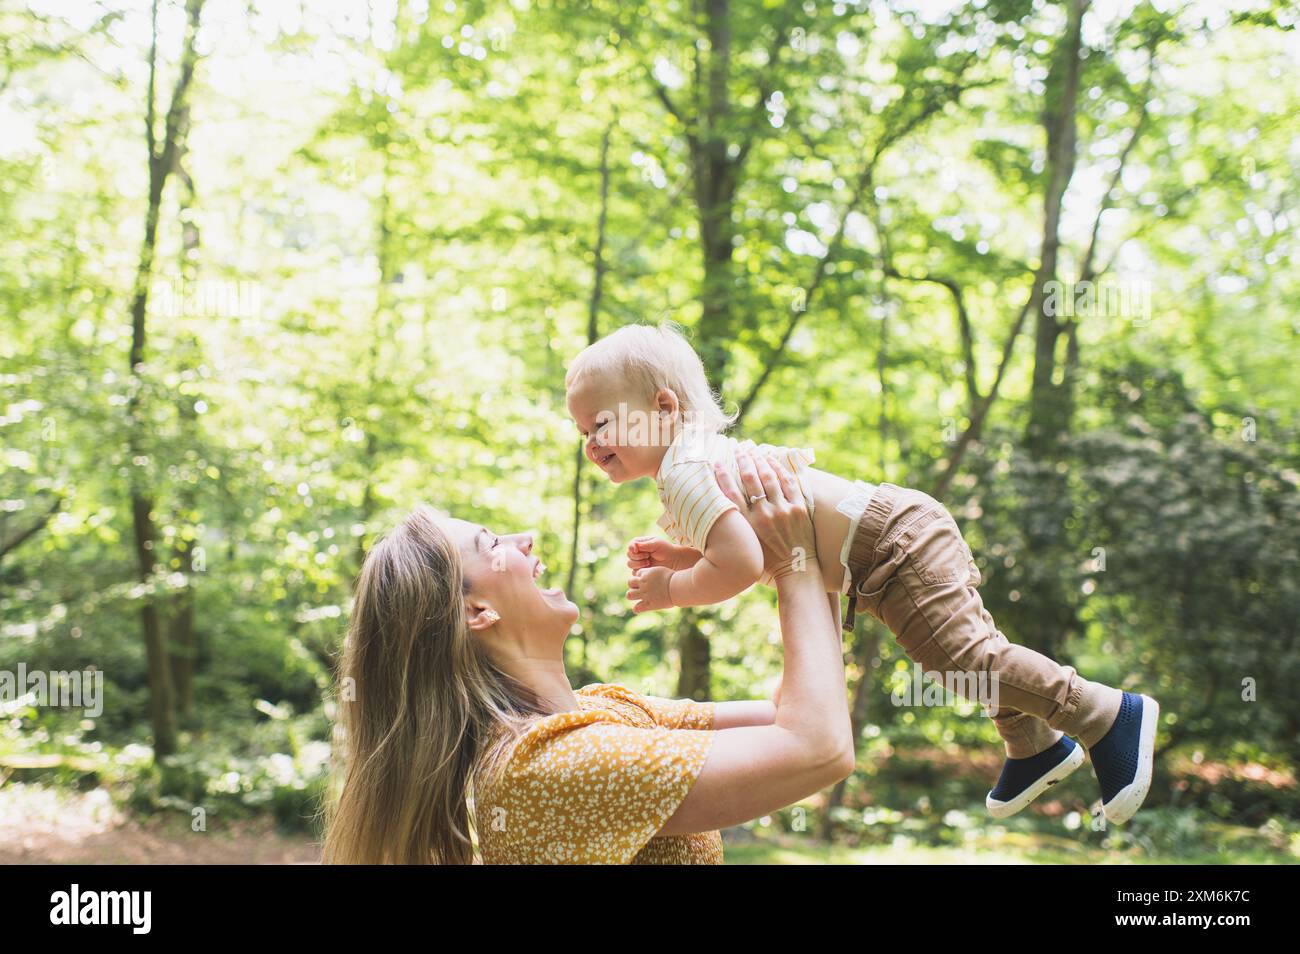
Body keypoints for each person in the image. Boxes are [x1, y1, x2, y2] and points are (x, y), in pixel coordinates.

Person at [564, 319, 1160, 825]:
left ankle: (1104, 713)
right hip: (886, 537)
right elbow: (744, 543)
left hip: (888, 544)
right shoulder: (694, 459)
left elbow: (744, 564)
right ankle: (1033, 744)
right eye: (583, 432)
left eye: (602, 425)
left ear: (662, 408)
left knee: (959, 659)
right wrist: (685, 559)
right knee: (968, 654)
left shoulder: (683, 472)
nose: (591, 444)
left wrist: (673, 590)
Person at [321, 450, 854, 863]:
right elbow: (818, 748)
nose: (525, 538)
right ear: (476, 611)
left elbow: (797, 712)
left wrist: (787, 555)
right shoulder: (543, 767)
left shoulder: (599, 711)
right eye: (492, 545)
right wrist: (794, 563)